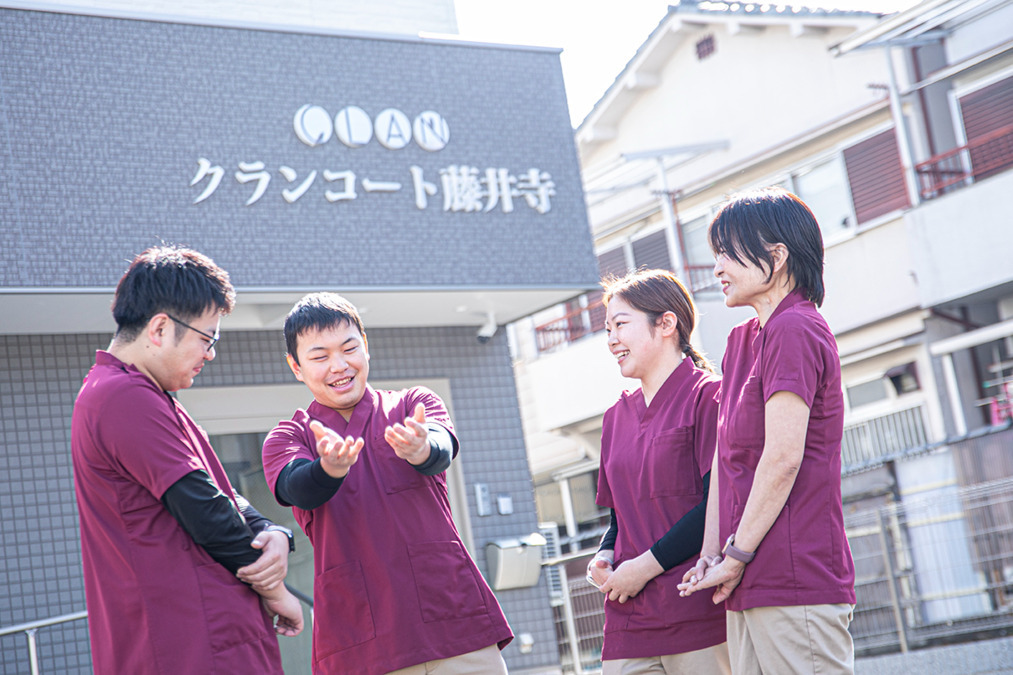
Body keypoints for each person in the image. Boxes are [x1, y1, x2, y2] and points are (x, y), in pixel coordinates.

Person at [71, 246, 303, 675]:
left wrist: (270, 531)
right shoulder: (123, 396)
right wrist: (274, 589)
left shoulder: (149, 396)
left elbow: (218, 490)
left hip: (203, 637)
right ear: (160, 328)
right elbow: (204, 508)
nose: (211, 353)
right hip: (187, 643)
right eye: (206, 337)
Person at [261, 292, 513, 675]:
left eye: (349, 349)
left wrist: (421, 447)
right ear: (296, 367)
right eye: (320, 356)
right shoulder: (289, 436)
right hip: (363, 645)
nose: (339, 365)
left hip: (455, 626)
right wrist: (328, 468)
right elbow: (296, 487)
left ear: (367, 347)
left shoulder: (413, 404)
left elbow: (441, 448)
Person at [677, 187, 857, 674]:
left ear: (776, 257)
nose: (716, 268)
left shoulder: (795, 327)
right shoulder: (742, 340)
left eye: (726, 253)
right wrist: (713, 554)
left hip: (796, 577)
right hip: (747, 579)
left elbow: (782, 458)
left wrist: (734, 554)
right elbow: (725, 461)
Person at [587, 269, 731, 675]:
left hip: (698, 610)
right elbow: (622, 514)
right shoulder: (616, 416)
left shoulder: (709, 396)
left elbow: (716, 506)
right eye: (607, 328)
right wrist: (604, 554)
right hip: (629, 618)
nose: (611, 338)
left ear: (666, 324)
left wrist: (645, 566)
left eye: (621, 324)